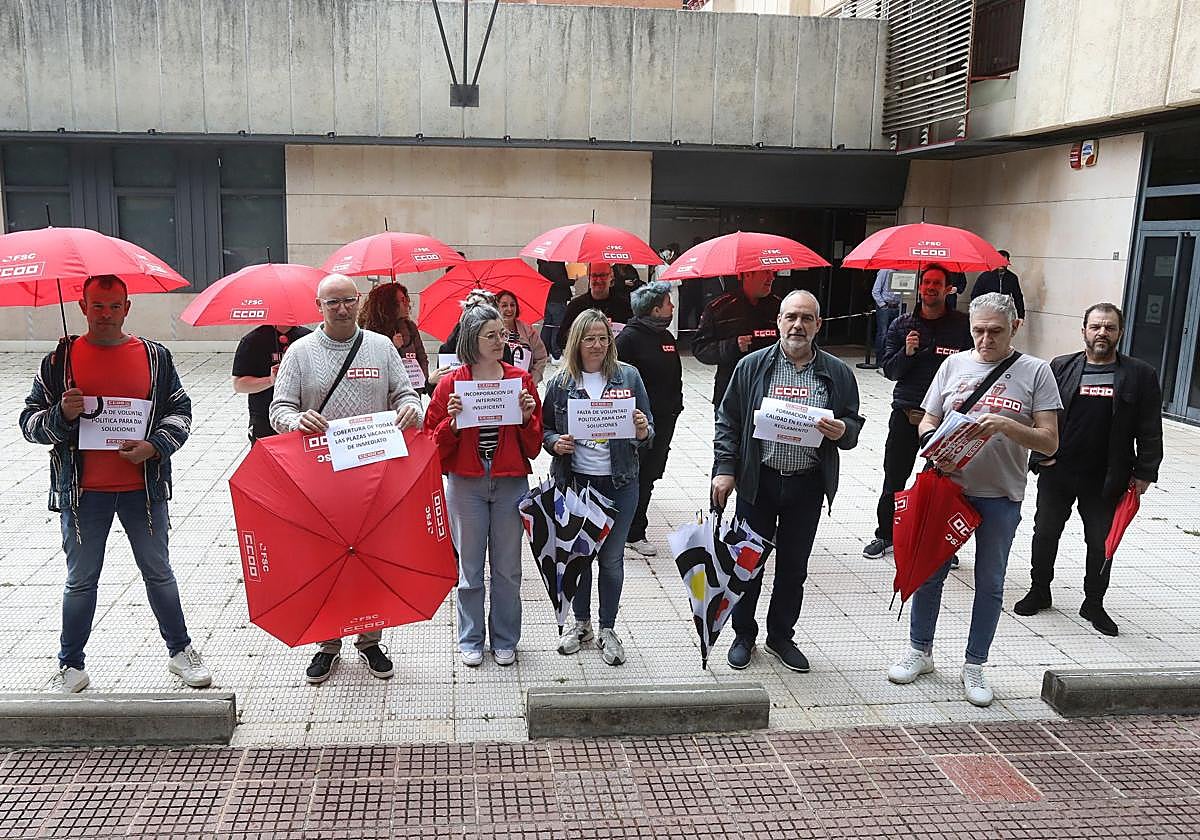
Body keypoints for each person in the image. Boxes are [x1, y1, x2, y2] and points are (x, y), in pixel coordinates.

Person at [20, 274, 211, 694]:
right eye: (97, 305)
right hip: (83, 493)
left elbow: (180, 411)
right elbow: (28, 425)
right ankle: (71, 665)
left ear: (127, 308)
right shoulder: (59, 363)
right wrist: (60, 416)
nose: (105, 314)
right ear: (82, 307)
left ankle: (180, 652)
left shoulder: (154, 357)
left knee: (158, 571)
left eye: (114, 306)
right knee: (81, 579)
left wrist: (155, 446)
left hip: (143, 490)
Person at [887, 292, 1061, 707]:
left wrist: (1005, 425)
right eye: (978, 331)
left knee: (990, 584)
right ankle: (920, 650)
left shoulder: (1036, 372)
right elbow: (928, 417)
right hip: (948, 489)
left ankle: (975, 664)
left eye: (995, 332)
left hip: (1001, 494)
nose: (985, 340)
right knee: (929, 573)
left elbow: (1050, 441)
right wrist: (932, 438)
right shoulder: (953, 365)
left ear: (1014, 328)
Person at [269, 273, 423, 685]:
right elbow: (277, 409)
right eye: (332, 302)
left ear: (359, 303)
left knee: (371, 557)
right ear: (318, 306)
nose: (341, 309)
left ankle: (371, 637)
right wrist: (296, 420)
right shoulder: (300, 353)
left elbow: (406, 394)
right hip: (320, 475)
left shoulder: (380, 346)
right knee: (326, 559)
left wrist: (411, 410)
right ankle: (328, 642)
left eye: (348, 301)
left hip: (374, 470)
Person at [712, 290, 864, 673]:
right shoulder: (751, 367)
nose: (798, 325)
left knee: (794, 566)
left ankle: (781, 636)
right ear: (779, 321)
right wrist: (725, 468)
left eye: (807, 318)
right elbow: (728, 419)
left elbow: (853, 424)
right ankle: (743, 634)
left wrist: (842, 430)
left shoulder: (837, 372)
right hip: (757, 482)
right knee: (748, 563)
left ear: (818, 325)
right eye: (791, 317)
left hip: (806, 484)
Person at [1015, 303, 1163, 636]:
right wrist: (1040, 458)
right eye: (1096, 327)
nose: (1102, 333)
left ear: (1120, 333)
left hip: (1107, 477)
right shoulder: (1061, 367)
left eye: (1109, 328)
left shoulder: (1140, 374)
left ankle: (1093, 603)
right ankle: (1040, 589)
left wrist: (1145, 472)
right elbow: (1041, 416)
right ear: (1083, 330)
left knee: (1100, 542)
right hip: (1059, 470)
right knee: (1045, 533)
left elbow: (1150, 427)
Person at [424, 300, 542, 667]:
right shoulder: (451, 384)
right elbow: (430, 444)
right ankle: (471, 638)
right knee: (470, 569)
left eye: (502, 334)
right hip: (466, 483)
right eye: (490, 335)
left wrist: (525, 418)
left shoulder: (519, 380)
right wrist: (452, 425)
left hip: (509, 480)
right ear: (472, 338)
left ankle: (506, 639)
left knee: (508, 568)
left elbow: (535, 446)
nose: (499, 341)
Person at [542, 310, 654, 666]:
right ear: (577, 342)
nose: (597, 345)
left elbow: (648, 429)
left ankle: (608, 628)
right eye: (589, 338)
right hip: (576, 483)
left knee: (611, 558)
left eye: (603, 338)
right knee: (579, 556)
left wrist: (641, 431)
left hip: (619, 482)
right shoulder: (560, 383)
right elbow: (544, 430)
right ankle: (581, 624)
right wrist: (555, 441)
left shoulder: (629, 377)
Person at [863, 265, 972, 560]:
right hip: (906, 414)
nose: (931, 288)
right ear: (919, 287)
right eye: (926, 282)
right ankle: (885, 535)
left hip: (945, 420)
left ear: (949, 288)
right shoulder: (901, 325)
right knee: (894, 478)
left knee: (939, 485)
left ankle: (937, 543)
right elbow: (889, 369)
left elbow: (974, 366)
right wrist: (907, 353)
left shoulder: (963, 326)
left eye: (937, 283)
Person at [616, 281, 683, 557]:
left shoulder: (666, 337)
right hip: (639, 423)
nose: (672, 307)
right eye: (668, 303)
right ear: (655, 309)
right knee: (635, 474)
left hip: (666, 418)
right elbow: (618, 382)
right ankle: (630, 531)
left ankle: (634, 525)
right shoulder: (628, 340)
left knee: (651, 474)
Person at [693, 270, 782, 409]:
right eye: (766, 272)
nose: (772, 277)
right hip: (730, 394)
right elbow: (701, 349)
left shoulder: (781, 309)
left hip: (768, 396)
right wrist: (733, 345)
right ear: (747, 275)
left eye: (772, 272)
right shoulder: (719, 308)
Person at [232, 323, 313, 443]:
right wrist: (270, 380)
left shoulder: (309, 339)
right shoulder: (252, 341)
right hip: (264, 417)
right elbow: (239, 385)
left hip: (303, 417)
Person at [358, 281, 429, 386]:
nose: (407, 304)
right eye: (402, 300)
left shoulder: (410, 327)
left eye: (406, 299)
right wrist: (393, 347)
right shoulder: (370, 330)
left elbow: (422, 357)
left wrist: (423, 381)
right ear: (390, 304)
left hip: (412, 391)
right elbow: (371, 362)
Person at [556, 263, 634, 355]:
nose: (599, 280)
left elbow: (632, 337)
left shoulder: (624, 305)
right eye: (594, 275)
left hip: (616, 360)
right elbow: (561, 340)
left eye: (603, 275)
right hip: (585, 363)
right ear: (588, 277)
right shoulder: (576, 306)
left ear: (611, 276)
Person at [496, 290, 549, 384]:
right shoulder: (490, 332)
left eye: (512, 305)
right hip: (499, 387)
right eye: (504, 305)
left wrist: (532, 381)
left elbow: (541, 357)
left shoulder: (528, 331)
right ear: (496, 308)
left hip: (524, 386)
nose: (509, 309)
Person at [971, 251, 1025, 320]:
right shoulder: (985, 276)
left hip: (1005, 313)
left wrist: (1021, 316)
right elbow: (975, 295)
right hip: (987, 313)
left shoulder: (1012, 277)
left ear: (1008, 262)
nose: (1001, 264)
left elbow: (1018, 297)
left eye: (1004, 261)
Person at [537, 259, 573, 360]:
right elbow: (558, 280)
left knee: (548, 325)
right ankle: (556, 354)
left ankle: (545, 352)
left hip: (547, 297)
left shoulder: (543, 262)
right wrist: (572, 280)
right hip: (557, 298)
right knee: (558, 325)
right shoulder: (554, 263)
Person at [870, 268, 901, 366]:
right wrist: (882, 304)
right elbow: (875, 290)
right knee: (882, 333)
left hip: (896, 306)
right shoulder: (885, 271)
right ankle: (880, 359)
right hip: (885, 306)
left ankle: (890, 359)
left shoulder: (902, 272)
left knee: (894, 333)